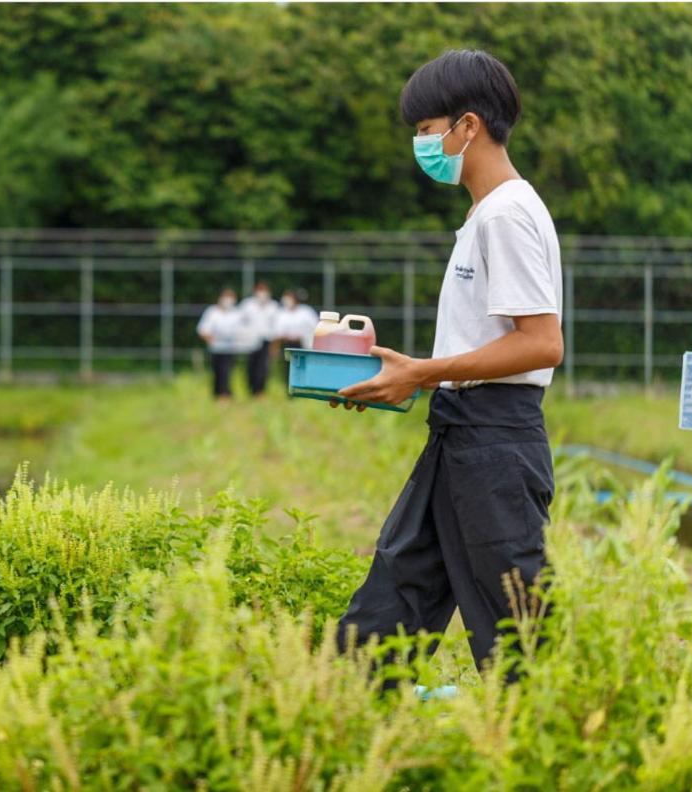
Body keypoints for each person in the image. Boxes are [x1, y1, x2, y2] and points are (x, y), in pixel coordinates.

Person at [332, 49, 563, 687]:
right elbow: (480, 341)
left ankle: (543, 748)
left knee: (517, 630)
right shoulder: (481, 215)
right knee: (397, 589)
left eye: (427, 130)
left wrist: (423, 372)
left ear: (468, 126)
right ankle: (345, 718)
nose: (421, 144)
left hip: (495, 442)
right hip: (459, 430)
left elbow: (542, 344)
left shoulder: (509, 214)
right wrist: (407, 372)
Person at [197, 288, 256, 401]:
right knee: (217, 372)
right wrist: (211, 338)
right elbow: (203, 330)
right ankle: (217, 394)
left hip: (230, 348)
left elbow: (245, 328)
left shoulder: (237, 313)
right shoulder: (212, 311)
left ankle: (225, 394)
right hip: (216, 348)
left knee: (226, 371)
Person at [239, 282, 279, 398]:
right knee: (250, 367)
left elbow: (277, 327)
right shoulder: (247, 305)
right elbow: (239, 322)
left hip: (266, 341)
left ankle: (260, 391)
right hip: (249, 341)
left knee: (263, 369)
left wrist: (274, 345)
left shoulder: (273, 306)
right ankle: (251, 390)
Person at [274, 287, 318, 351]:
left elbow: (316, 327)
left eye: (290, 297)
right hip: (287, 345)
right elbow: (277, 334)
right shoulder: (281, 314)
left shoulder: (306, 311)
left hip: (306, 345)